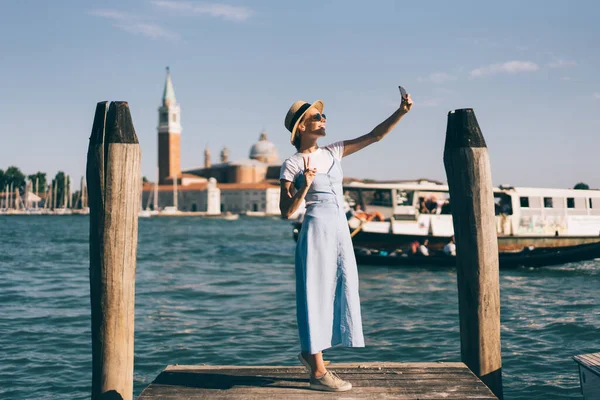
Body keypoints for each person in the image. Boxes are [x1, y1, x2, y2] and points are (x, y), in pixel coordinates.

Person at [279, 91, 413, 392]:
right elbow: (287, 212)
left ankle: (311, 355)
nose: (323, 119)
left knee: (340, 287)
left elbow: (375, 136)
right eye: (317, 116)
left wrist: (401, 111)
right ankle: (317, 371)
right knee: (314, 293)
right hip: (315, 230)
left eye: (323, 116)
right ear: (301, 126)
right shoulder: (292, 164)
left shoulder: (333, 151)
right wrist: (305, 186)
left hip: (340, 229)